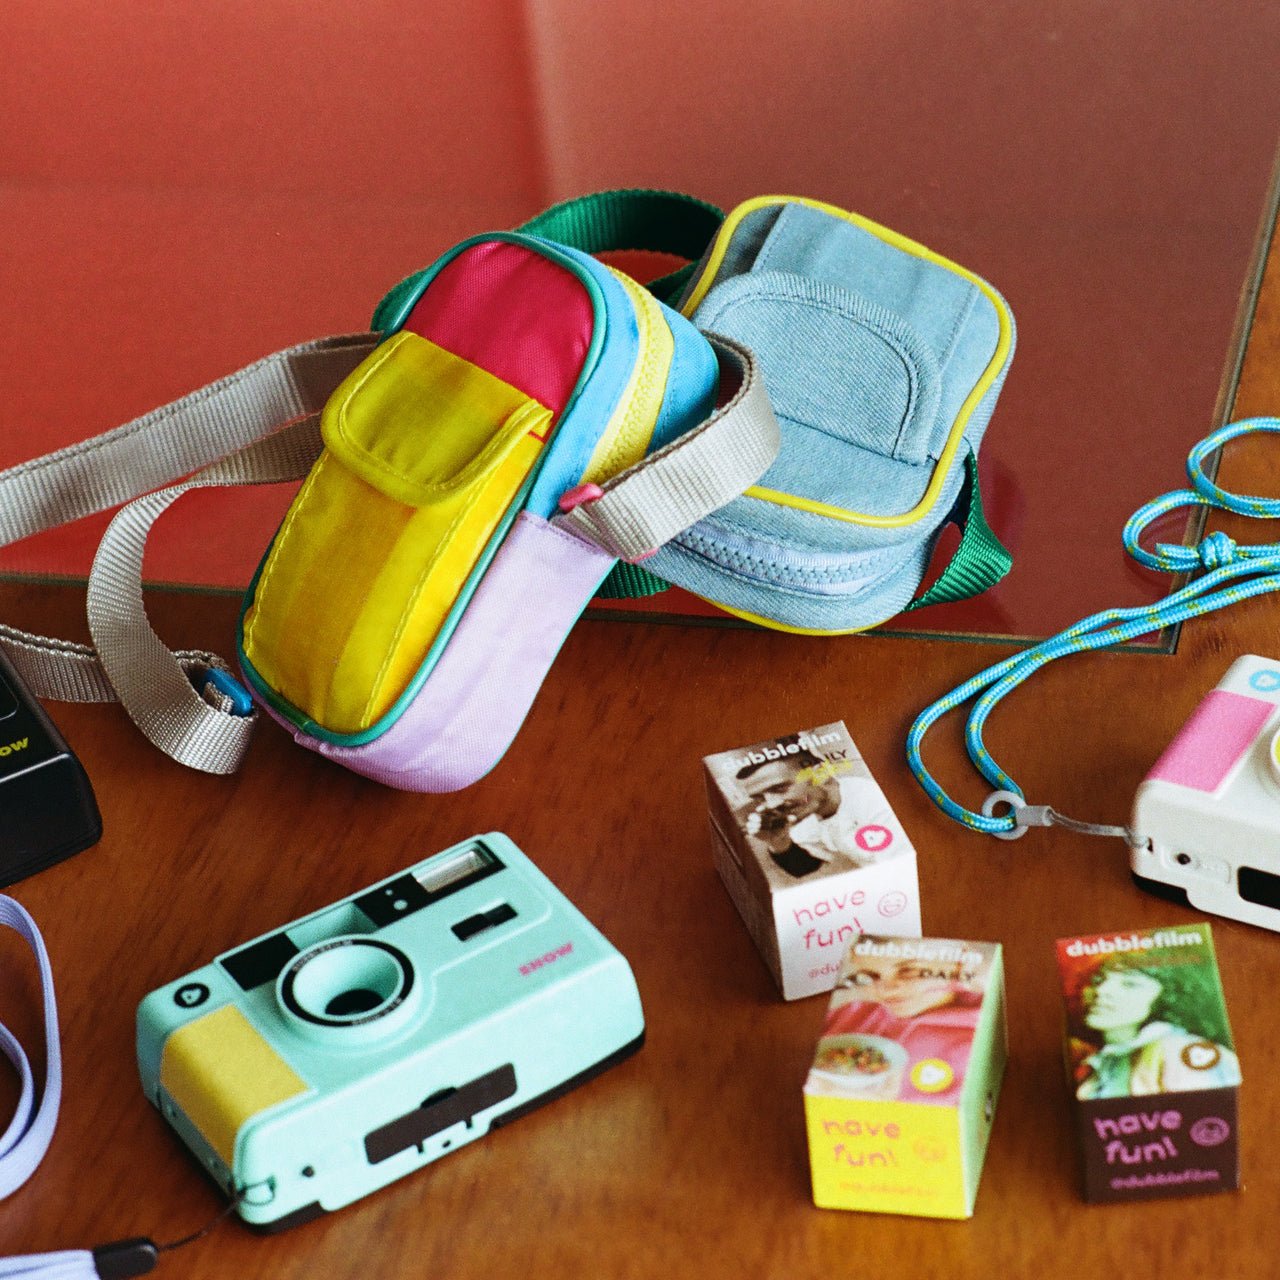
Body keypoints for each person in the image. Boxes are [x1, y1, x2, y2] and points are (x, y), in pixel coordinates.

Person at [814, 957, 986, 1105]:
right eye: (870, 975)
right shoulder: (849, 1014)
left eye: (908, 971)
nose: (886, 989)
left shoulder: (980, 1038)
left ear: (959, 962)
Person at [1070, 959, 1241, 1100]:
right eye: (1098, 980)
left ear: (1168, 996)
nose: (1101, 990)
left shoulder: (1179, 1053)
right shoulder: (1102, 1061)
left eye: (1130, 984)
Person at [736, 747, 899, 879]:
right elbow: (804, 867)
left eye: (779, 788)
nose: (772, 803)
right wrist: (780, 843)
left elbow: (900, 873)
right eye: (760, 798)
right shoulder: (804, 812)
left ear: (821, 774)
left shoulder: (875, 803)